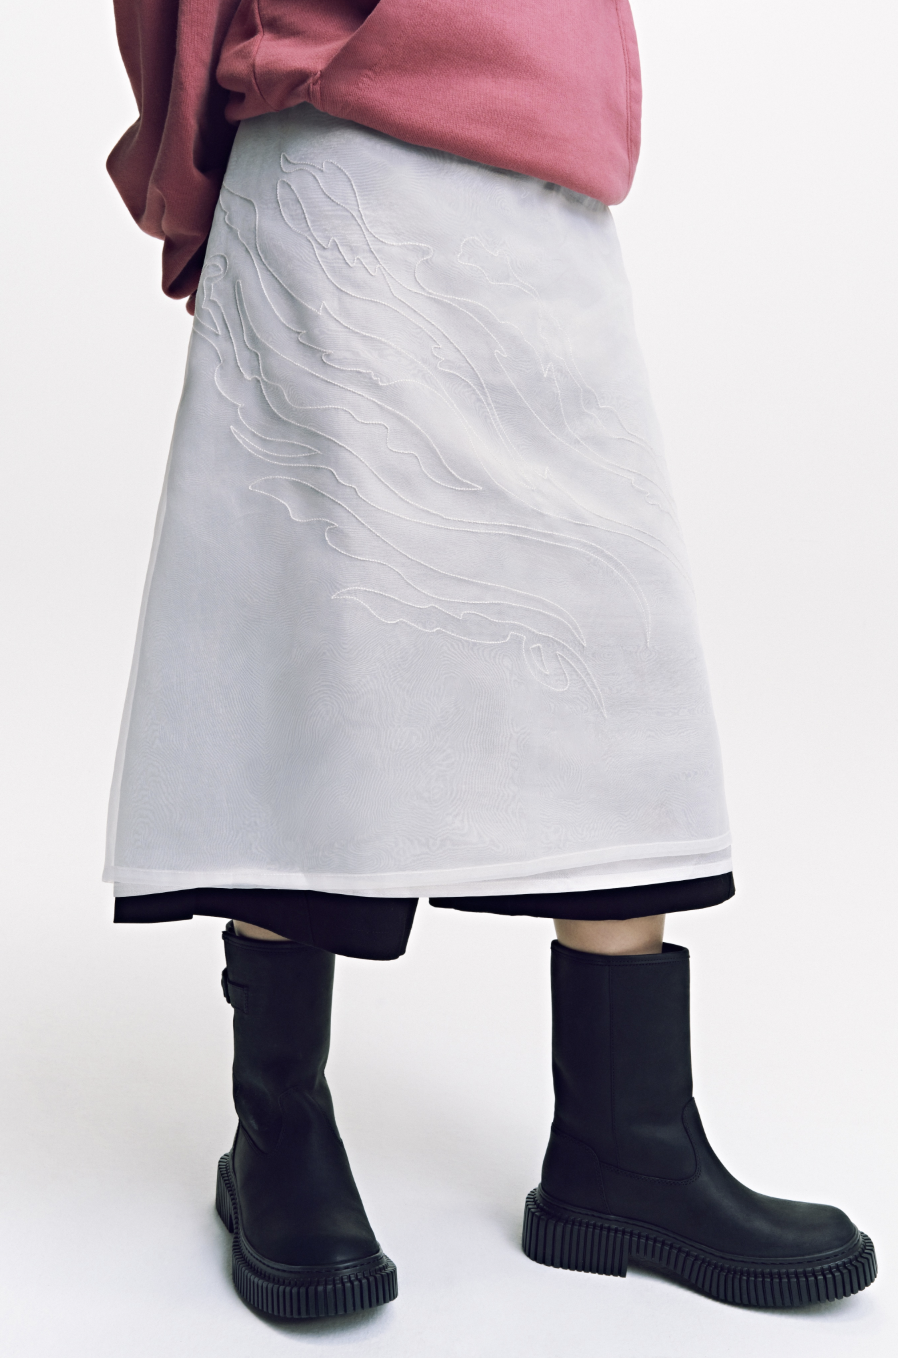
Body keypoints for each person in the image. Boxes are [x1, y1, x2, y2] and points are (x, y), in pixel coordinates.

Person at [105, 0, 876, 1318]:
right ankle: (278, 1132)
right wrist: (205, 174)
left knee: (609, 658)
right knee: (310, 649)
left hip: (543, 157)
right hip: (336, 138)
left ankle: (623, 1150)